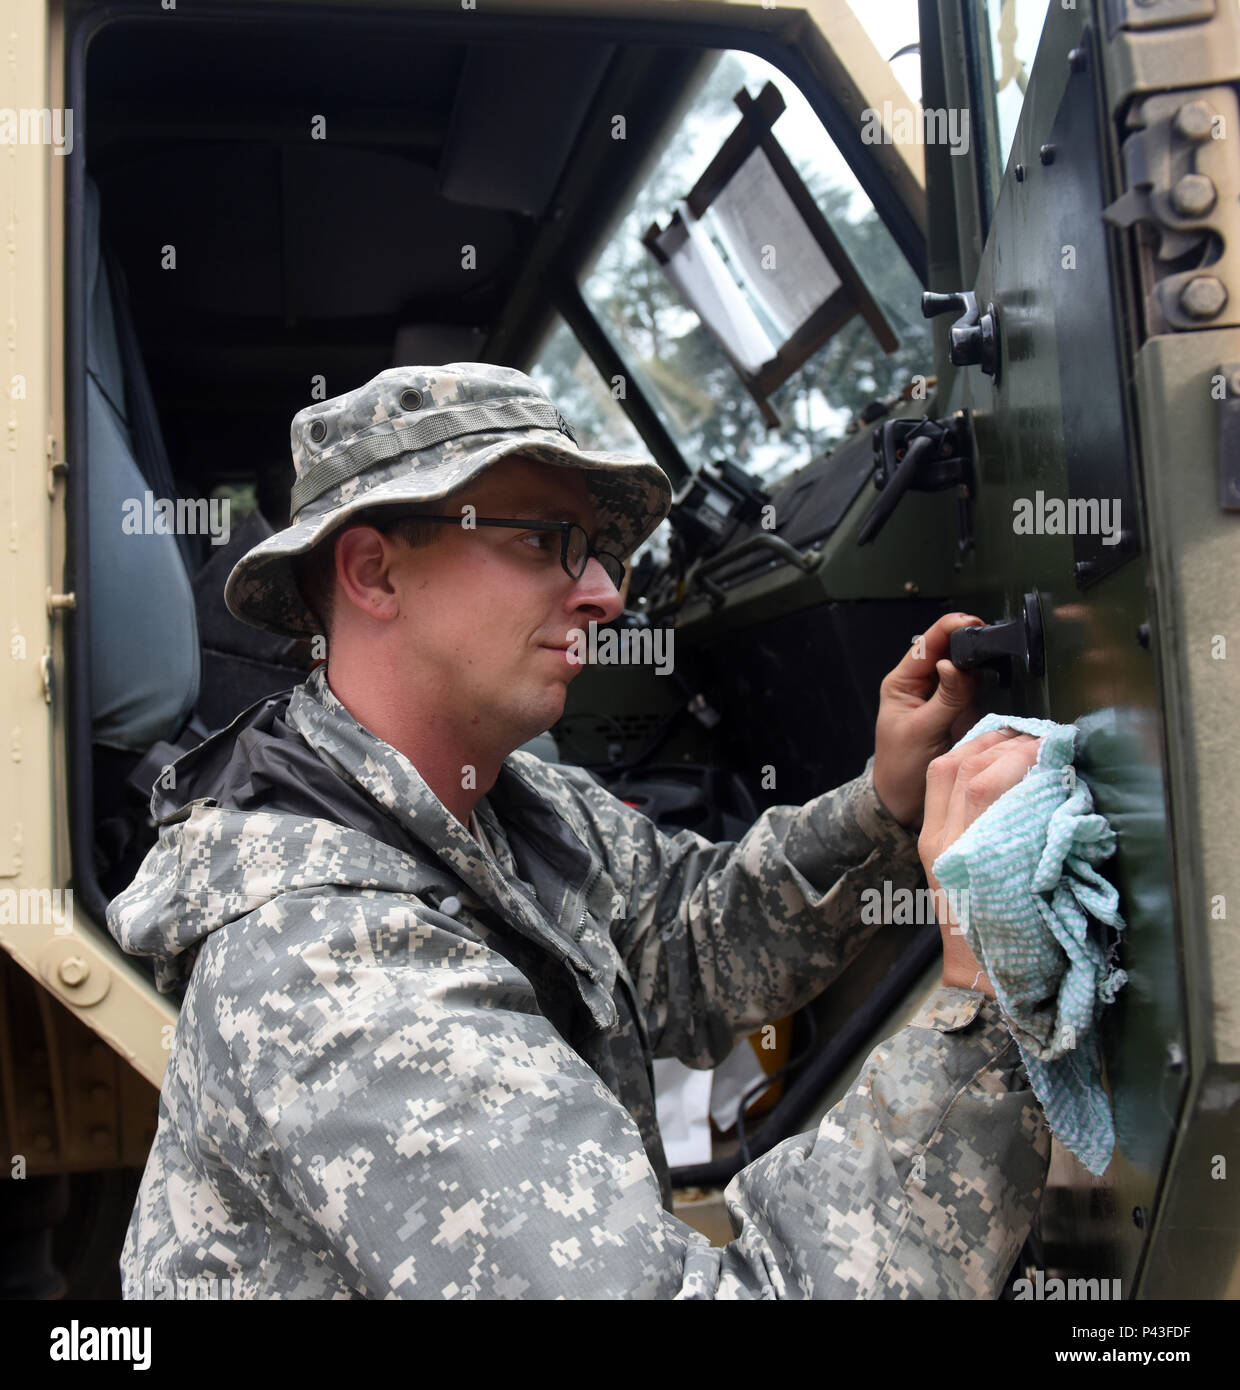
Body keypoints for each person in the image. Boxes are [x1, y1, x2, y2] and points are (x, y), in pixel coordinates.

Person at [107, 362, 1050, 1300]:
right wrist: (985, 1000)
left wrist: (885, 801)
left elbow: (688, 939)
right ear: (374, 572)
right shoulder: (330, 971)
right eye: (546, 541)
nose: (602, 592)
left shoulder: (496, 803)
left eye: (597, 549)